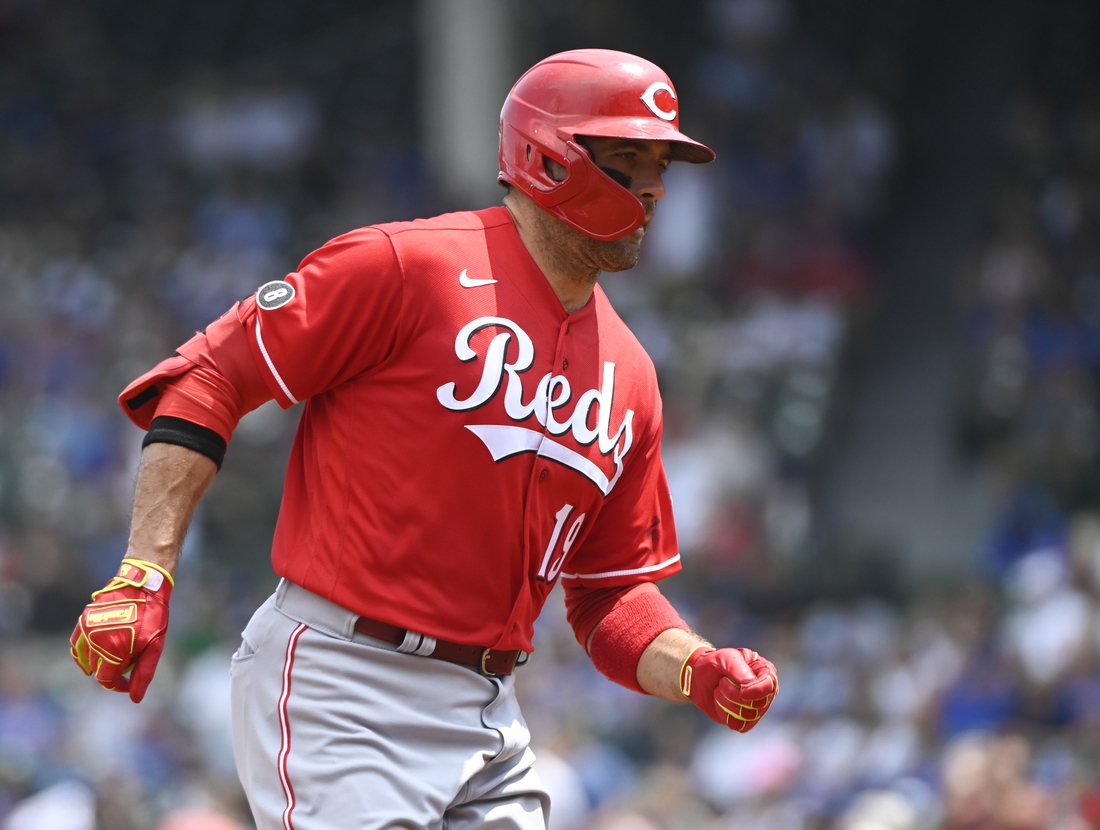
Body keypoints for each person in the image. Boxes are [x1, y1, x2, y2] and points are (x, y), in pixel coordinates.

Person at [70, 49, 779, 829]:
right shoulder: (404, 267)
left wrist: (696, 667)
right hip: (343, 680)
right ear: (546, 159)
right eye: (627, 160)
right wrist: (144, 570)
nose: (653, 188)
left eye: (661, 166)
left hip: (487, 710)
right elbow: (209, 377)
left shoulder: (631, 374)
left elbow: (609, 596)